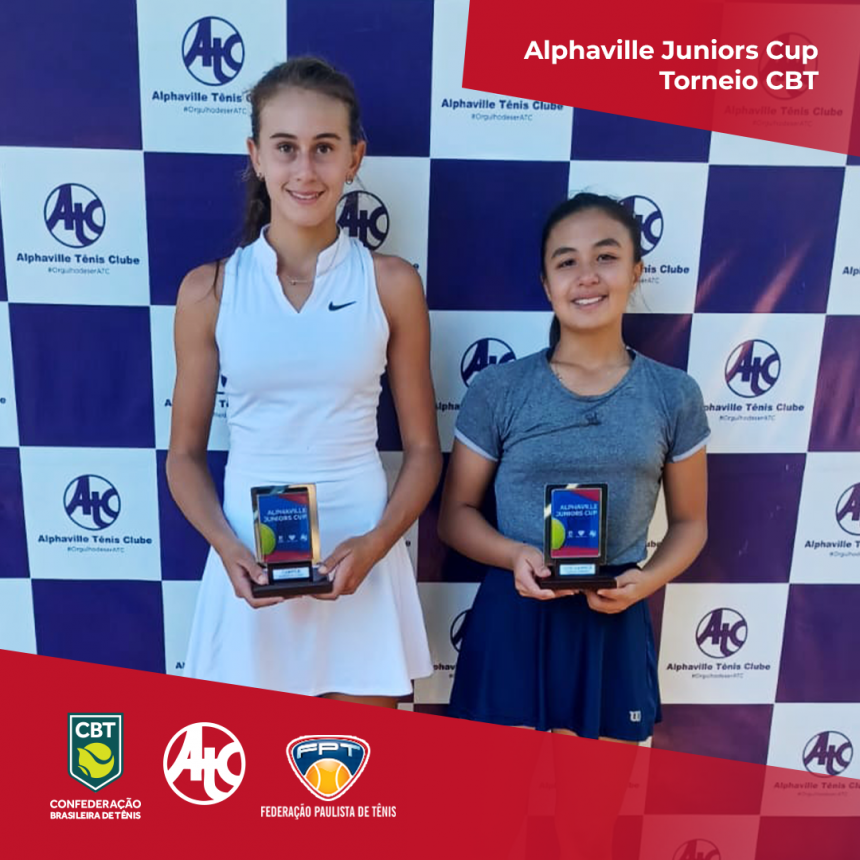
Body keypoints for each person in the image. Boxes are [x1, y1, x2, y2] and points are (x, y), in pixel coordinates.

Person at [166, 57, 440, 707]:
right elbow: (183, 456)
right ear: (256, 156)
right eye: (286, 147)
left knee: (359, 772)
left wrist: (376, 544)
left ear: (354, 158)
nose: (305, 170)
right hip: (250, 566)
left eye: (324, 147)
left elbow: (425, 450)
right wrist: (227, 547)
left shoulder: (392, 284)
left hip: (362, 559)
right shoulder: (208, 290)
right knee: (250, 771)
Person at [439, 192, 709, 739]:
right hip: (514, 618)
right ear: (546, 284)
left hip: (613, 620)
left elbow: (691, 523)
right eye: (567, 262)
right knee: (500, 795)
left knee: (597, 797)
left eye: (605, 257)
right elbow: (455, 515)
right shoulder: (499, 388)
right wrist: (515, 555)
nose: (587, 275)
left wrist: (646, 581)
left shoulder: (673, 393)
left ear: (635, 272)